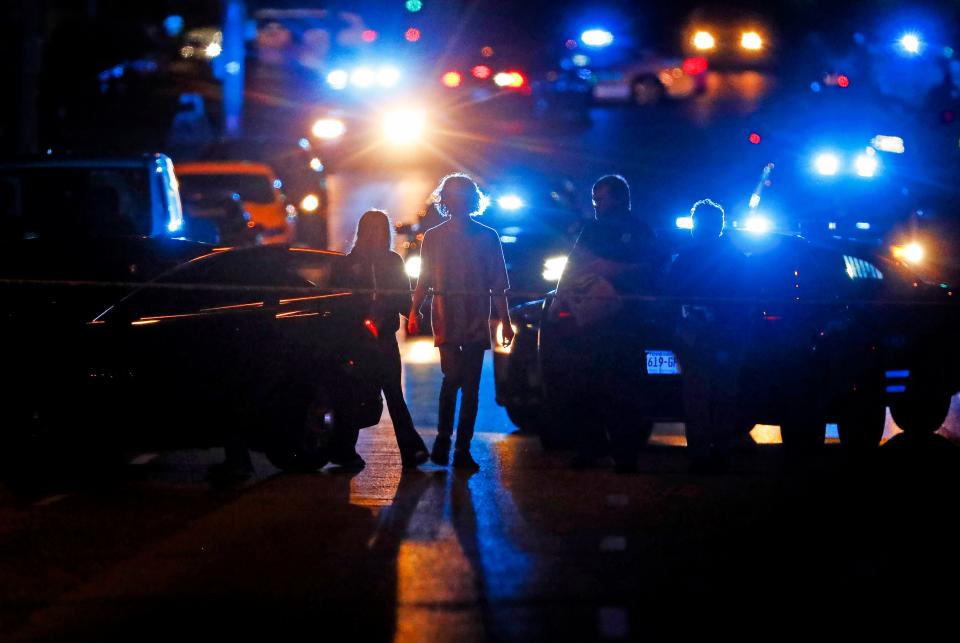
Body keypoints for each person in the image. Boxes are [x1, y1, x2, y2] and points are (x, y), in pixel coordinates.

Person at [551, 174, 660, 472]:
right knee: (586, 387)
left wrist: (612, 269)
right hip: (592, 321)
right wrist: (561, 296)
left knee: (623, 389)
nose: (597, 204)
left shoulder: (639, 231)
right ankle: (591, 448)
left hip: (625, 322)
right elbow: (573, 264)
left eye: (601, 198)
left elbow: (651, 269)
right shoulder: (591, 230)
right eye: (595, 199)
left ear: (619, 198)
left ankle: (625, 454)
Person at [408, 173, 514, 471]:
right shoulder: (434, 237)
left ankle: (461, 448)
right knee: (453, 377)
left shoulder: (487, 236)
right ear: (446, 200)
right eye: (453, 196)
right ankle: (444, 440)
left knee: (470, 386)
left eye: (462, 196)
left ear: (471, 200)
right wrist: (414, 310)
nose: (457, 201)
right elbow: (424, 278)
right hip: (447, 316)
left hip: (475, 318)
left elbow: (498, 283)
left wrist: (504, 319)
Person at [331, 209, 430, 469]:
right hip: (356, 338)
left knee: (394, 393)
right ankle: (344, 450)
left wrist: (407, 310)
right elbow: (337, 301)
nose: (375, 235)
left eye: (380, 230)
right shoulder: (347, 263)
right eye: (371, 230)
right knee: (354, 394)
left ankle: (411, 450)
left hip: (384, 338)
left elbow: (402, 299)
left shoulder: (393, 261)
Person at [668, 199, 748, 473]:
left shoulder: (684, 257)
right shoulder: (737, 256)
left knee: (697, 393)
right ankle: (721, 448)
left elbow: (671, 293)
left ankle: (701, 452)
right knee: (725, 393)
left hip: (696, 333)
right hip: (729, 335)